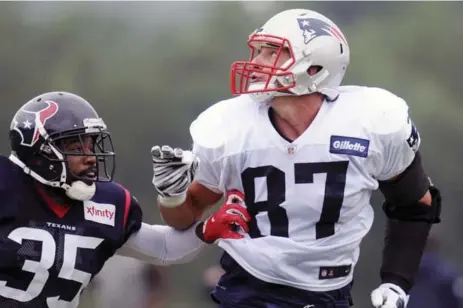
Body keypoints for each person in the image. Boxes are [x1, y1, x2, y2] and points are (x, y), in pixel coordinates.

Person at [150, 8, 442, 308]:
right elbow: (186, 215)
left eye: (271, 52)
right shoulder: (231, 127)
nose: (255, 63)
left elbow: (415, 206)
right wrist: (172, 197)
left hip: (332, 290)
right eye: (258, 51)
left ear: (315, 67)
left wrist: (396, 281)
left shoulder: (372, 123)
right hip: (249, 286)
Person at [0, 91, 250, 307]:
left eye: (91, 145)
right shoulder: (6, 186)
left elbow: (164, 248)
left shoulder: (104, 203)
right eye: (76, 149)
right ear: (39, 153)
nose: (91, 158)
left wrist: (207, 230)